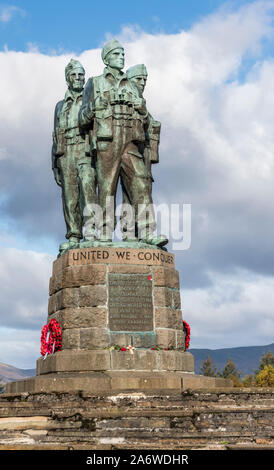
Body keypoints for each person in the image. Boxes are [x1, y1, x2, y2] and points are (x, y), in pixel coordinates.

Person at [79, 39, 167, 247]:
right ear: (107, 58)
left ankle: (147, 232)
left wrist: (142, 108)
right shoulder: (95, 82)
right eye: (117, 54)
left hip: (130, 141)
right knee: (106, 188)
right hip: (107, 141)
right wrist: (94, 106)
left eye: (122, 54)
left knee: (141, 183)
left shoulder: (132, 85)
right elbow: (82, 118)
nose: (121, 57)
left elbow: (146, 120)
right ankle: (104, 233)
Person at [52, 59, 97, 253]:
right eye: (74, 75)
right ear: (67, 79)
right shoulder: (60, 105)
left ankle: (92, 230)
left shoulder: (90, 99)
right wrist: (54, 164)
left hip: (84, 148)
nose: (78, 78)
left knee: (87, 188)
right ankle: (73, 235)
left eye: (81, 75)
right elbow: (55, 135)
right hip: (65, 152)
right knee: (69, 196)